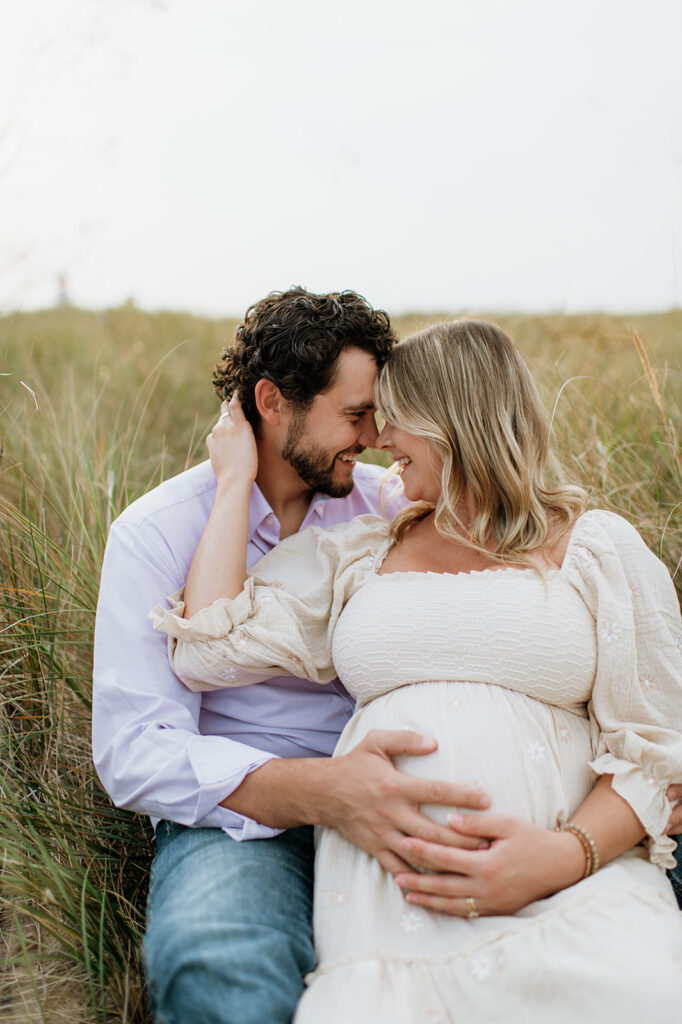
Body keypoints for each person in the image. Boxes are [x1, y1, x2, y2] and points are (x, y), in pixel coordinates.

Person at [152, 319, 682, 1023]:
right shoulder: (359, 554)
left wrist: (561, 857)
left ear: (452, 422)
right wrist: (233, 485)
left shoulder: (596, 549)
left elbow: (656, 750)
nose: (376, 439)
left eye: (393, 418)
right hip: (394, 913)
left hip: (571, 887)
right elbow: (204, 649)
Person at [92, 289, 494, 1024]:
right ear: (272, 402)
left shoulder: (389, 507)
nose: (374, 436)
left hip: (404, 789)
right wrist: (320, 791)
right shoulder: (154, 532)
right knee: (218, 960)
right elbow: (134, 751)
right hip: (242, 820)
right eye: (354, 414)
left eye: (379, 413)